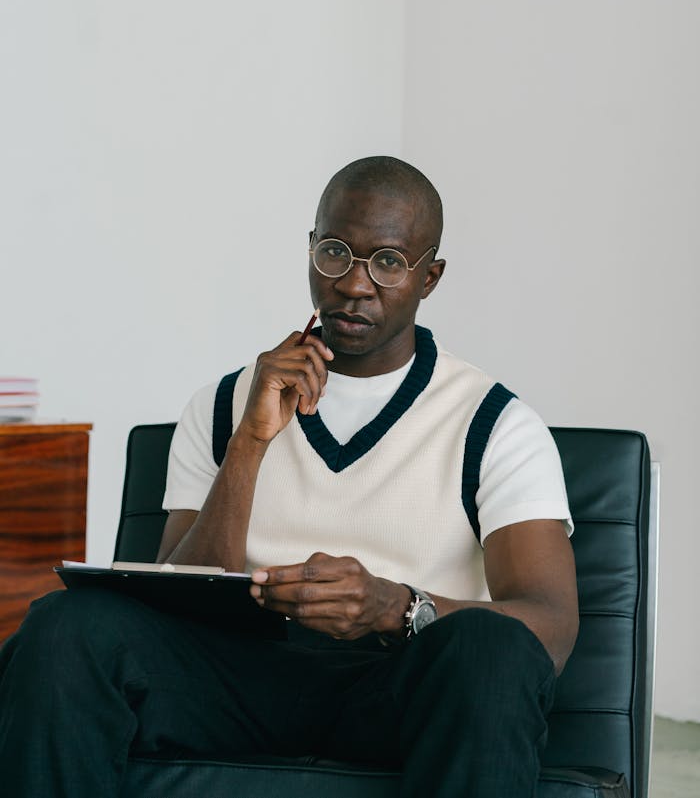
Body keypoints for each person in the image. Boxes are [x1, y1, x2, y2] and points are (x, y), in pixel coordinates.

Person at [0, 155, 578, 798]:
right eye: (336, 252)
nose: (355, 285)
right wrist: (249, 443)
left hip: (394, 690)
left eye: (388, 262)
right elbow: (176, 597)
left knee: (492, 651)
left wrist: (395, 606)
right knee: (64, 627)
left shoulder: (494, 423)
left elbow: (550, 627)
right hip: (235, 681)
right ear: (310, 251)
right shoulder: (223, 404)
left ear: (430, 277)